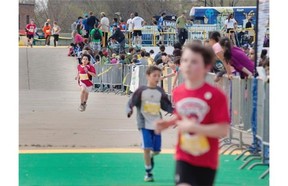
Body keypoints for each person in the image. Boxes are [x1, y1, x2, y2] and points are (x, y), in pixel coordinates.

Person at [155, 43, 230, 186]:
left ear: (207, 67)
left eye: (194, 61)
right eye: (185, 60)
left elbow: (223, 129)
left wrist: (196, 128)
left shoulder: (217, 95)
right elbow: (181, 115)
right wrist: (168, 123)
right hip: (183, 155)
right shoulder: (178, 92)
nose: (188, 65)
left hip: (206, 160)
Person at [126, 65, 173, 182]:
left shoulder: (160, 91)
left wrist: (175, 112)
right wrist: (129, 110)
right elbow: (131, 102)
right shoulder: (141, 91)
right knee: (147, 147)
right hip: (144, 124)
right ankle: (148, 172)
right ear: (148, 76)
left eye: (159, 75)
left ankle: (151, 157)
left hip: (157, 124)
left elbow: (166, 105)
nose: (157, 78)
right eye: (154, 75)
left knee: (156, 150)